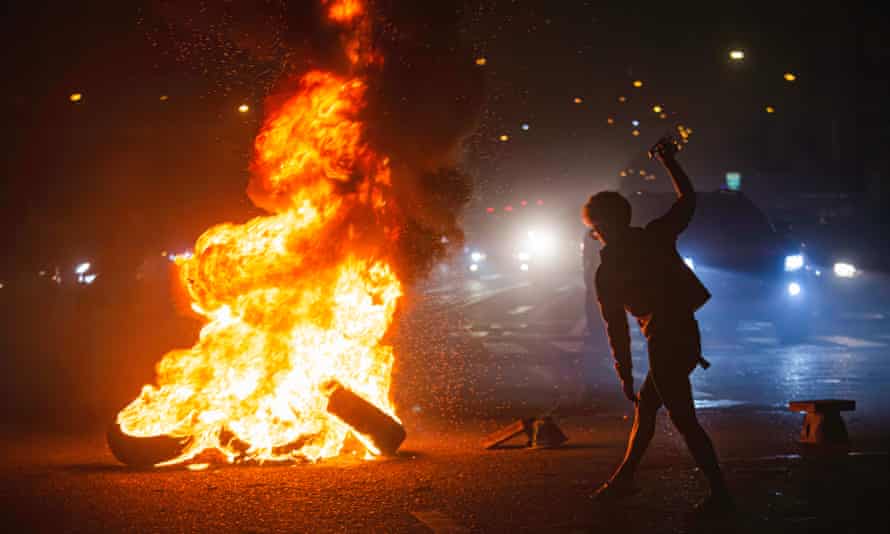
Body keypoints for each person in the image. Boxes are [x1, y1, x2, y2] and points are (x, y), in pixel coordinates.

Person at [582, 137, 733, 518]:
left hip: (666, 339)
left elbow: (615, 326)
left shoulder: (609, 270)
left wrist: (624, 373)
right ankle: (625, 478)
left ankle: (720, 491)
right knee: (649, 407)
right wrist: (669, 161)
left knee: (683, 418)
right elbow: (688, 202)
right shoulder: (655, 236)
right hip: (684, 332)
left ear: (602, 225)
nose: (593, 234)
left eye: (593, 228)